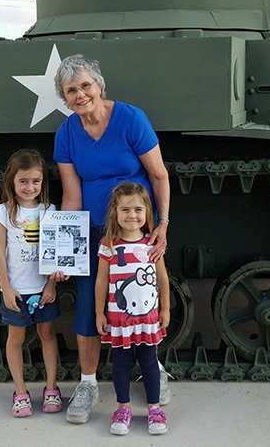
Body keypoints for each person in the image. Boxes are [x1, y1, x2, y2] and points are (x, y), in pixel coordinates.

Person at [52, 54, 172, 424]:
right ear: (65, 97)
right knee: (91, 301)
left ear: (99, 85)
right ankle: (88, 383)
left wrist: (163, 224)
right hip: (93, 232)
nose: (80, 94)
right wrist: (62, 253)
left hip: (135, 230)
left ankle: (154, 369)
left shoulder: (131, 119)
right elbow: (71, 197)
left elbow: (159, 175)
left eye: (85, 85)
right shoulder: (67, 133)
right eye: (71, 90)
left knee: (143, 297)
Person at [96, 183, 170, 435]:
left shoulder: (152, 244)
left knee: (149, 362)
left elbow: (162, 279)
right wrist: (99, 312)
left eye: (138, 209)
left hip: (148, 319)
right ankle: (123, 407)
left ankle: (154, 408)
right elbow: (101, 281)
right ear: (115, 213)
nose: (132, 215)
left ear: (147, 212)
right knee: (121, 363)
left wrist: (166, 309)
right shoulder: (108, 245)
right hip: (119, 320)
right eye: (125, 209)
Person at [0, 149, 61, 417]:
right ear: (11, 181)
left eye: (35, 181)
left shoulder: (49, 211)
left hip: (43, 288)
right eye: (23, 181)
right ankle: (20, 391)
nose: (29, 187)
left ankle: (51, 387)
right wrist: (5, 287)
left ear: (42, 182)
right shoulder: (3, 212)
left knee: (47, 334)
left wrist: (52, 285)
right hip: (16, 290)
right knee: (16, 338)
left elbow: (55, 252)